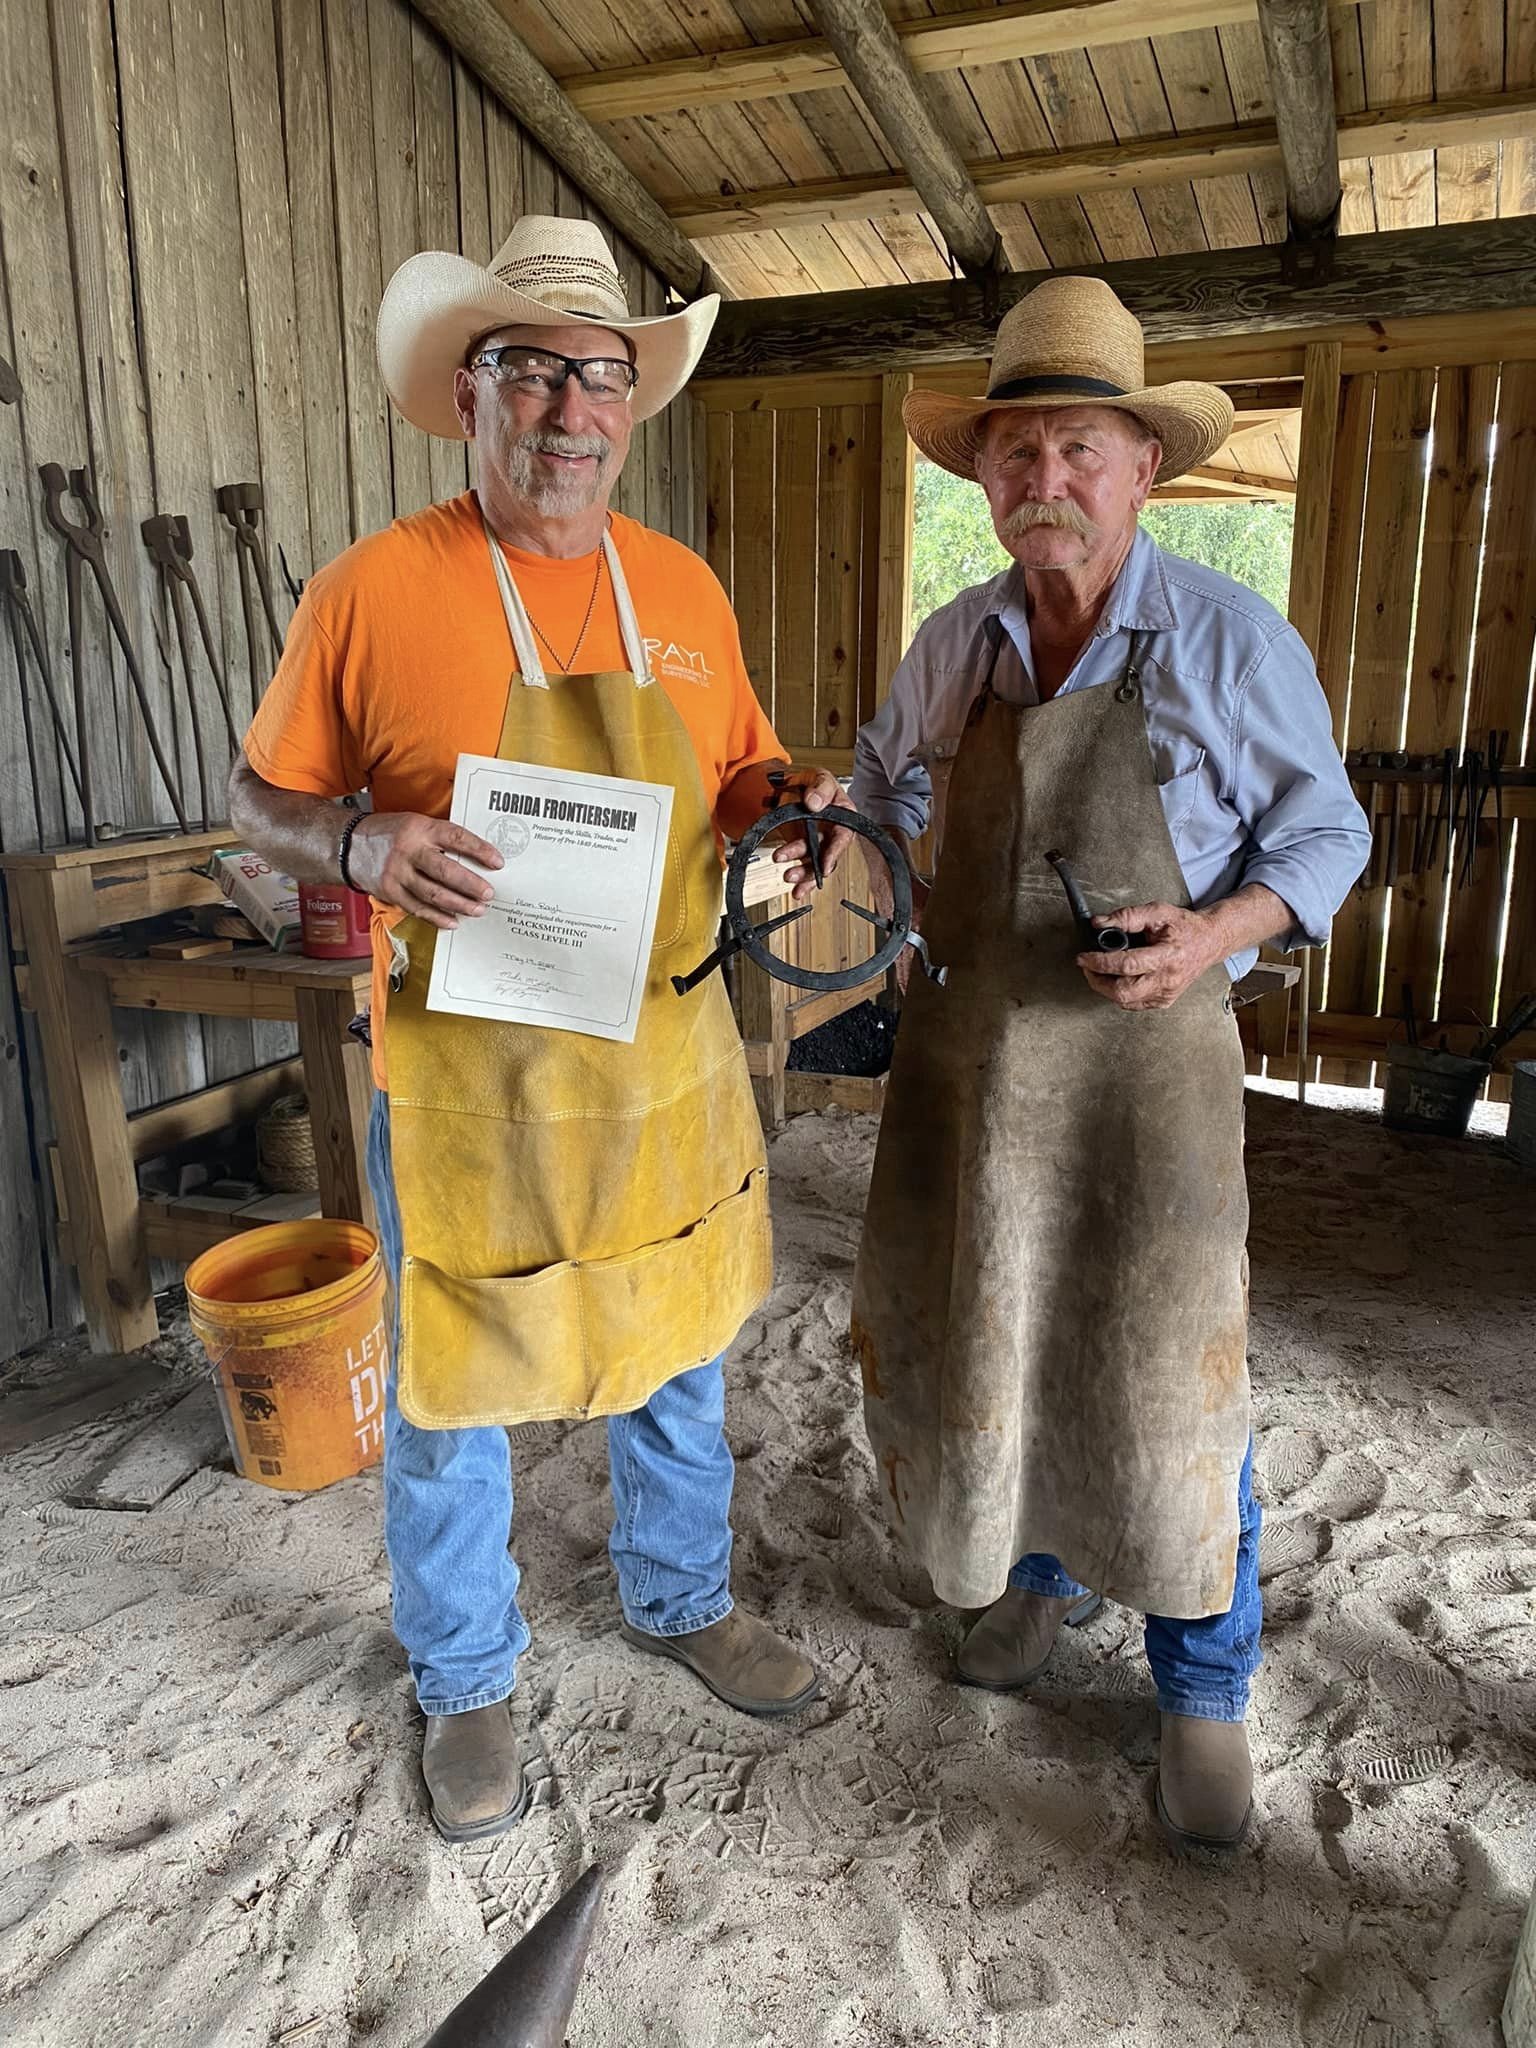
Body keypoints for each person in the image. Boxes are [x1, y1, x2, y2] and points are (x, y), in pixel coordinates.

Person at [228, 215, 848, 1843]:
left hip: (659, 1062)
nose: (571, 412)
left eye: (601, 377)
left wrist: (790, 808)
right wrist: (359, 841)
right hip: (467, 1085)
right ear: (468, 390)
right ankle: (465, 1675)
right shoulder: (373, 590)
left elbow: (740, 774)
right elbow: (258, 802)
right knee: (450, 1384)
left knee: (678, 1347)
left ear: (633, 403)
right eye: (531, 373)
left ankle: (679, 1596)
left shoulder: (682, 589)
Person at [849, 276, 1370, 1853]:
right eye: (1017, 451)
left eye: (1082, 448)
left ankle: (1205, 1686)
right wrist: (879, 880)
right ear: (984, 475)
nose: (1047, 480)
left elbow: (1327, 836)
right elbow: (881, 795)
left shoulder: (1224, 637)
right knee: (1000, 1332)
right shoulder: (959, 643)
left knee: (1167, 1370)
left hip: (1149, 1071)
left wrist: (1213, 934)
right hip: (981, 1070)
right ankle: (1038, 1582)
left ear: (1145, 468)